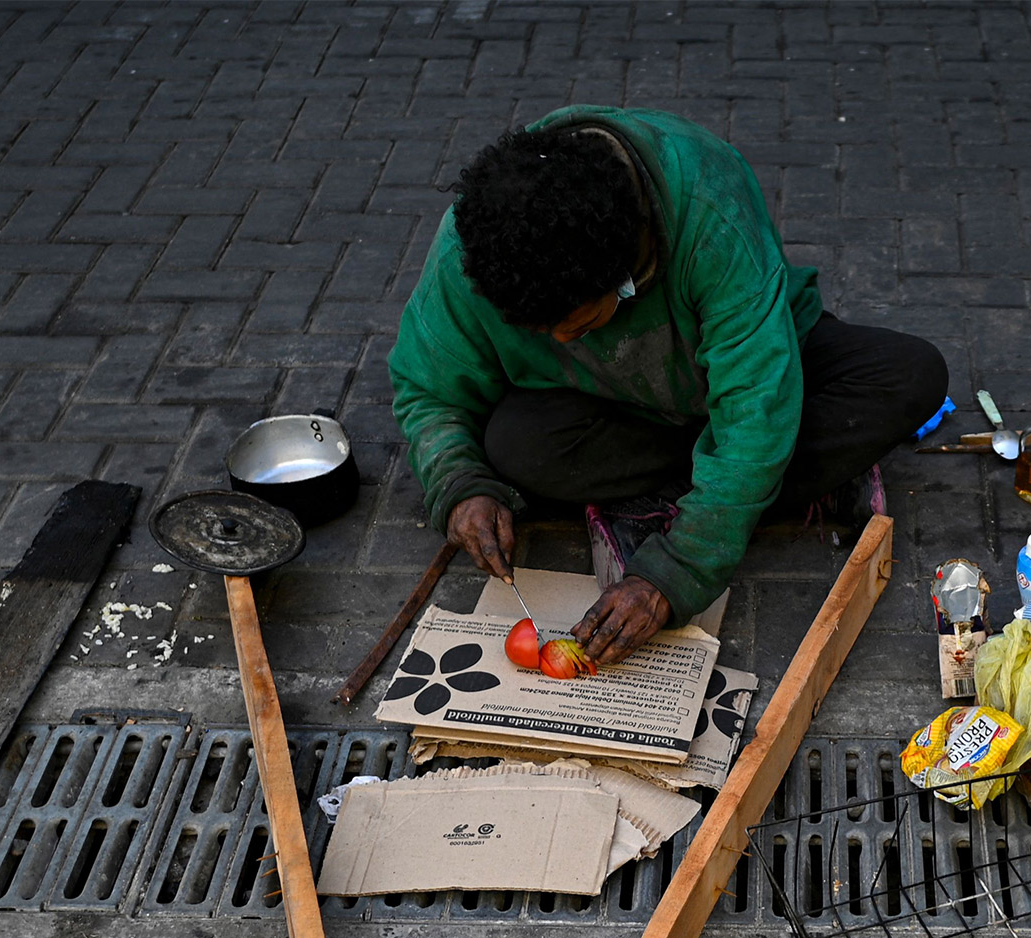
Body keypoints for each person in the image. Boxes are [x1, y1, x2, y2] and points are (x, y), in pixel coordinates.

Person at [389, 105, 949, 665]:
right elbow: (426, 388)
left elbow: (754, 410)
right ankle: (739, 487)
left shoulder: (709, 209)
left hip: (752, 376)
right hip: (615, 411)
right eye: (541, 332)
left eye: (582, 325)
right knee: (513, 446)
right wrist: (458, 482)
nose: (562, 341)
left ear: (626, 265)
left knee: (909, 375)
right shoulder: (474, 246)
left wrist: (672, 574)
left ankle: (707, 492)